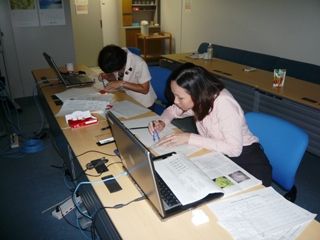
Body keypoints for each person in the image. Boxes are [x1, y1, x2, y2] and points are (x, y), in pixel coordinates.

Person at [148, 63, 272, 186]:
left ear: (196, 93)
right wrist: (162, 122)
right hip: (219, 154)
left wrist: (189, 137)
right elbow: (172, 110)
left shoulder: (224, 103)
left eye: (180, 97)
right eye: (174, 95)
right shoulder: (200, 99)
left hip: (247, 160)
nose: (175, 101)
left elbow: (234, 149)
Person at [98, 44, 157, 109]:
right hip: (127, 98)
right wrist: (108, 76)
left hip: (143, 103)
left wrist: (122, 83)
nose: (114, 72)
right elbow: (117, 77)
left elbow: (145, 89)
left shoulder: (139, 64)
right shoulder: (117, 58)